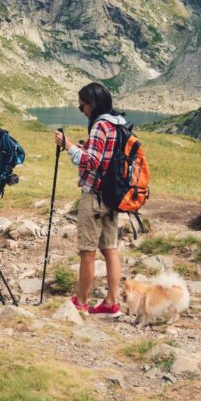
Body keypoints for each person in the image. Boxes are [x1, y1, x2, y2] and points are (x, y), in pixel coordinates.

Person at [53, 82, 126, 316]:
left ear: (92, 104)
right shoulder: (118, 124)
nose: (81, 109)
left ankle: (81, 301)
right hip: (113, 196)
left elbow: (92, 162)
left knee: (87, 251)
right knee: (110, 249)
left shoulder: (99, 126)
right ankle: (111, 302)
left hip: (94, 195)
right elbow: (105, 157)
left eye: (82, 105)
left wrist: (69, 146)